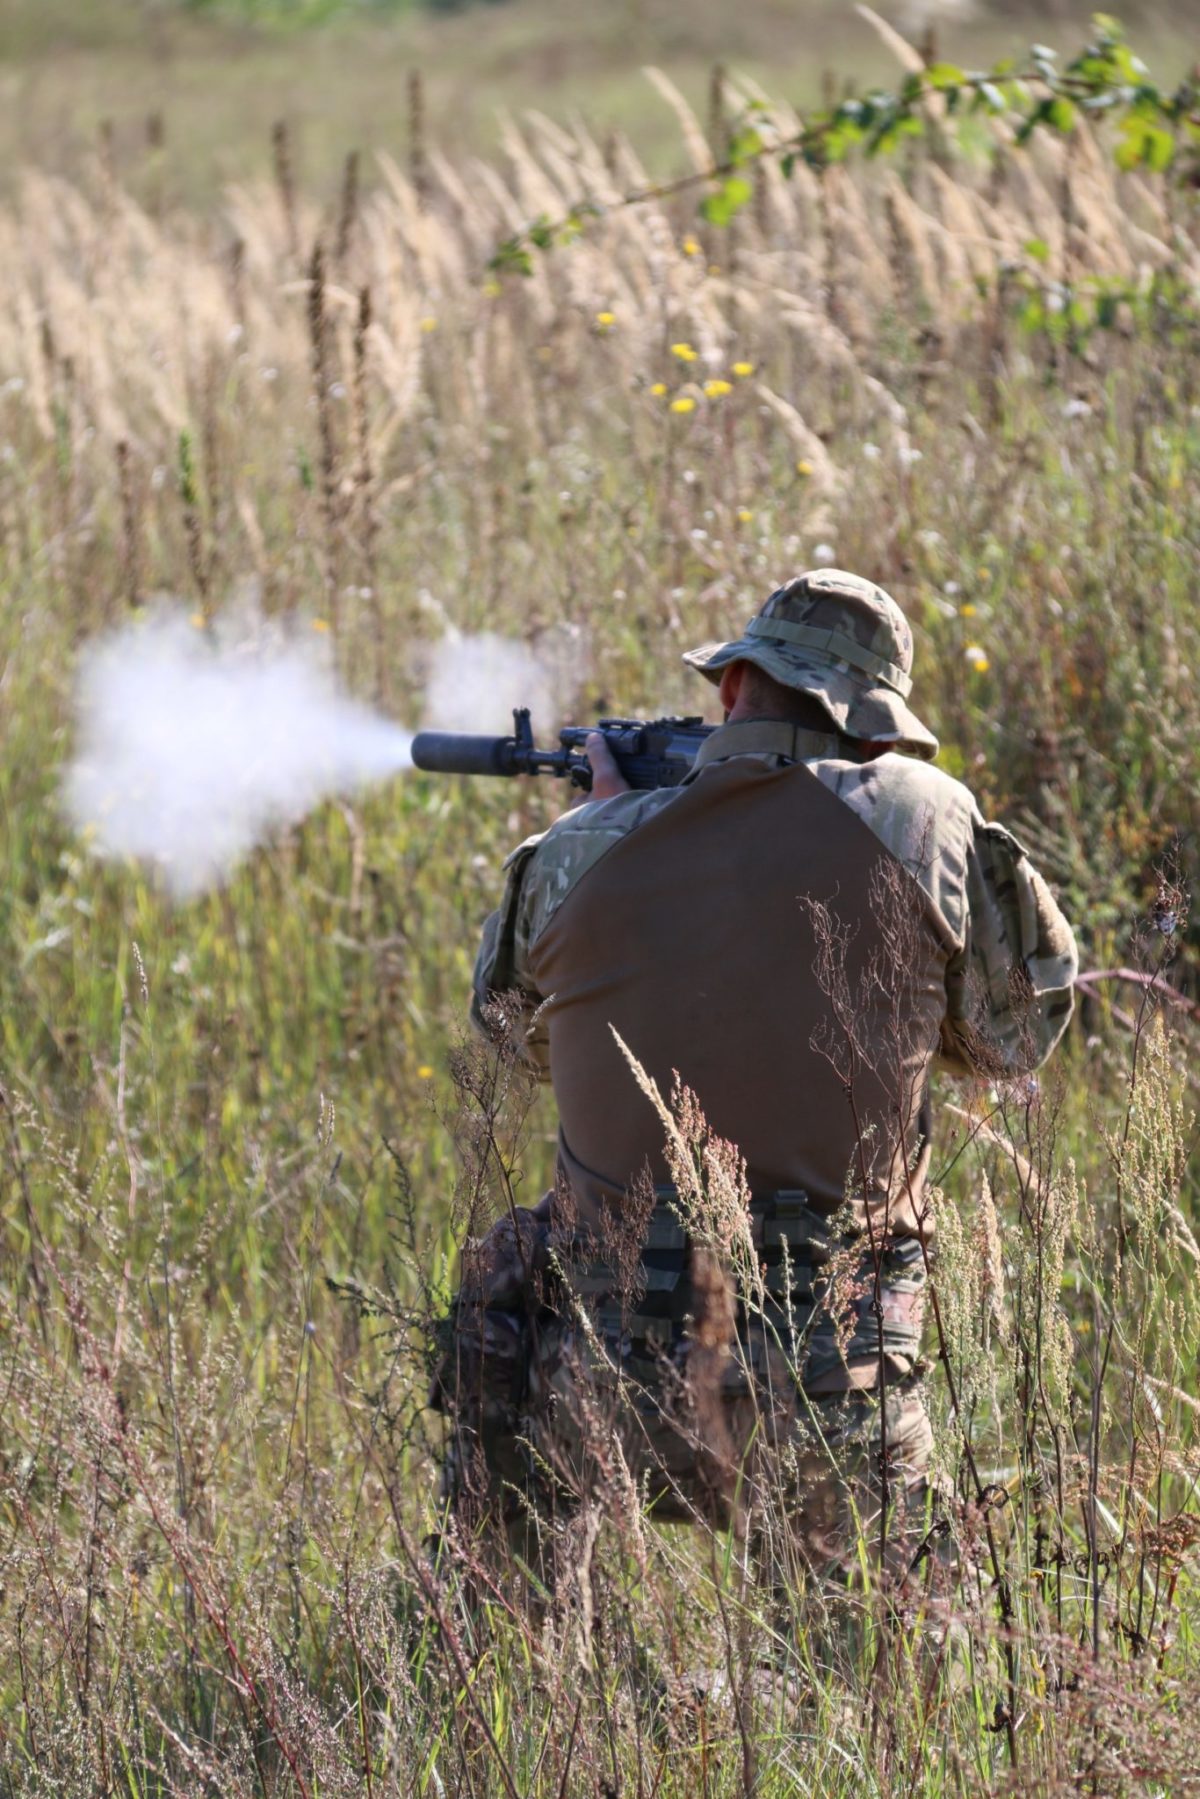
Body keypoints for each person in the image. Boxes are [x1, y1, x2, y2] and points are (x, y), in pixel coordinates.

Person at [437, 568, 1077, 1602]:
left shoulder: (573, 849)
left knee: (509, 1270)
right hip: (838, 1388)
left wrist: (615, 837)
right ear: (876, 725)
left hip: (607, 1379)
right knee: (869, 1675)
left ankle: (493, 1640)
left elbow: (515, 1044)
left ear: (733, 687)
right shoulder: (933, 820)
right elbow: (1017, 1039)